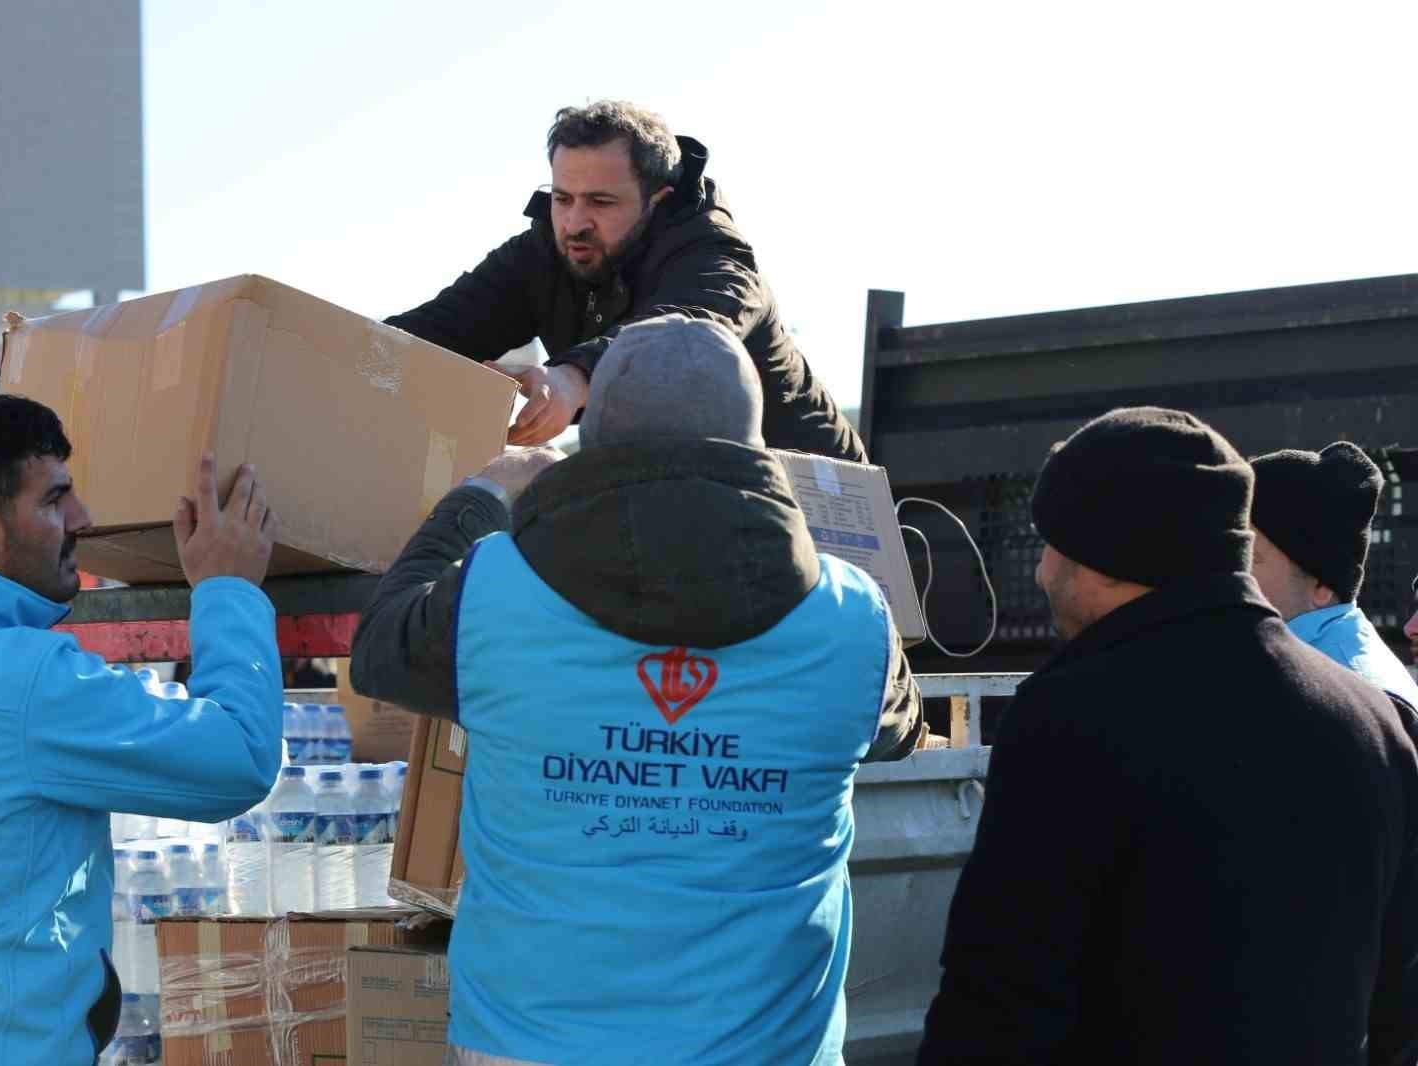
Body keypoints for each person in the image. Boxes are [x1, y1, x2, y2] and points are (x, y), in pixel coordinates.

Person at [351, 316, 921, 1065]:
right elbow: (899, 731)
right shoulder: (852, 621)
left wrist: (488, 490)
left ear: (597, 440)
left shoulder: (492, 595)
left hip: (533, 1044)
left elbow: (379, 648)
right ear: (753, 449)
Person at [918, 407, 1418, 1066]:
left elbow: (998, 1003)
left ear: (1112, 560)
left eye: (1054, 544)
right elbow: (1396, 1005)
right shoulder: (1379, 723)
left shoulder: (1072, 715)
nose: (1041, 571)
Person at [0, 390, 284, 1065]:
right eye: (53, 499)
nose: (83, 519)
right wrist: (229, 589)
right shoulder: (29, 681)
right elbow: (238, 754)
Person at [386, 100, 866, 462]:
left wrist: (572, 379)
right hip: (669, 493)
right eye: (561, 197)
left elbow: (680, 331)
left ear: (658, 199)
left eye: (600, 202)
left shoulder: (715, 258)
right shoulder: (541, 254)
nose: (574, 222)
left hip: (810, 504)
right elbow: (432, 332)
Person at [1248, 441, 1418, 705]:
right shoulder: (1308, 672)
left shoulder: (1348, 702)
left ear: (1322, 585)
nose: (1231, 572)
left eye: (1250, 559)